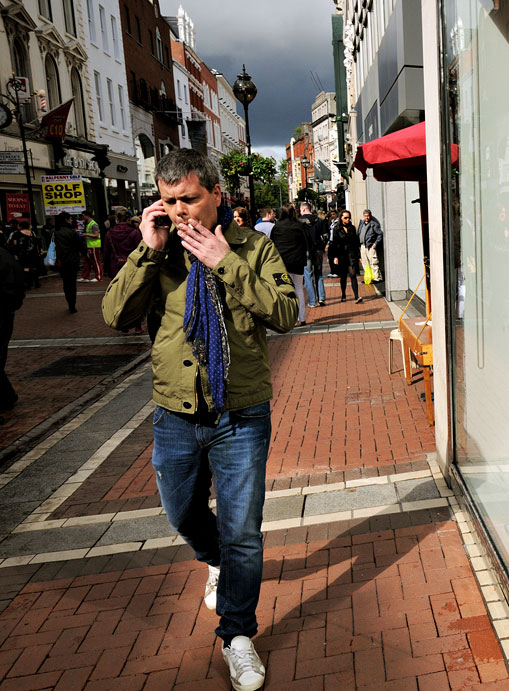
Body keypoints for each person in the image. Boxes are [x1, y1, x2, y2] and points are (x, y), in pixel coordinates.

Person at [101, 148, 297, 691]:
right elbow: (116, 315)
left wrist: (223, 261)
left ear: (215, 195)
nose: (178, 210)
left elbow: (285, 314)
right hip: (176, 414)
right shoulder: (157, 254)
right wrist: (147, 249)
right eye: (167, 201)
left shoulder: (252, 247)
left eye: (188, 199)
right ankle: (217, 562)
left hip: (241, 412)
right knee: (181, 512)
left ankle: (237, 636)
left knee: (242, 532)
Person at [270, 203, 310, 326]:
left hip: (282, 262)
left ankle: (288, 319)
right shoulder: (299, 226)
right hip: (297, 261)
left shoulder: (277, 226)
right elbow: (306, 242)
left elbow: (272, 243)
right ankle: (301, 318)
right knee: (298, 288)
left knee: (285, 290)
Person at [0, 242, 24, 419]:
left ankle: (6, 396)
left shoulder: (3, 257)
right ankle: (7, 396)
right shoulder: (4, 254)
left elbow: (13, 283)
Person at [52, 212, 84, 313]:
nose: (71, 220)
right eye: (70, 218)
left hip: (61, 261)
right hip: (72, 260)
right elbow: (80, 245)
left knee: (66, 283)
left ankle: (69, 301)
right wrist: (85, 253)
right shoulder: (72, 232)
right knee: (72, 283)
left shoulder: (54, 232)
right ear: (66, 220)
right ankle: (72, 304)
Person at [328, 209, 362, 303]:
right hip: (341, 254)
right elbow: (335, 244)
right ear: (341, 218)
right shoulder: (337, 229)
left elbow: (356, 243)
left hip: (351, 254)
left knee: (353, 274)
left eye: (349, 218)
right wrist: (335, 257)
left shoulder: (352, 228)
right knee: (343, 276)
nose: (348, 219)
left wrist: (359, 256)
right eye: (345, 217)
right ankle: (343, 294)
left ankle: (356, 296)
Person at [299, 202, 327, 307]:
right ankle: (321, 297)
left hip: (306, 251)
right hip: (318, 250)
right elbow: (325, 236)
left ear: (303, 210)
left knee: (308, 275)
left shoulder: (299, 222)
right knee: (319, 273)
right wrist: (322, 246)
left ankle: (312, 301)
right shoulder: (319, 221)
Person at [102, 208, 143, 278]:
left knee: (117, 287)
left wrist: (106, 268)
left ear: (116, 219)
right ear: (129, 219)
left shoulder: (109, 233)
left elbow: (106, 252)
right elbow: (140, 251)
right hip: (132, 265)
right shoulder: (134, 232)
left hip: (115, 265)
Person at [7, 221, 41, 290]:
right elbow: (36, 243)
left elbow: (15, 244)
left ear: (20, 226)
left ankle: (28, 284)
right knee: (33, 268)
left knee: (25, 268)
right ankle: (36, 282)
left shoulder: (16, 234)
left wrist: (15, 253)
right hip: (33, 253)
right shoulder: (32, 233)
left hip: (23, 254)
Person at [358, 208, 383, 282]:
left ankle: (376, 278)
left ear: (370, 216)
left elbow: (380, 234)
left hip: (370, 245)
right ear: (363, 216)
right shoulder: (361, 223)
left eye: (368, 216)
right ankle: (368, 277)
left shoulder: (373, 224)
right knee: (365, 263)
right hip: (363, 245)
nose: (366, 217)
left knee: (373, 262)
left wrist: (375, 243)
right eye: (365, 216)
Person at [79, 210, 103, 281]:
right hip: (89, 245)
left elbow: (96, 234)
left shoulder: (93, 224)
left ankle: (98, 277)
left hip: (94, 245)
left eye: (83, 215)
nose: (82, 217)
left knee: (95, 261)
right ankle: (85, 276)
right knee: (87, 261)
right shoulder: (88, 224)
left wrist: (86, 234)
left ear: (87, 216)